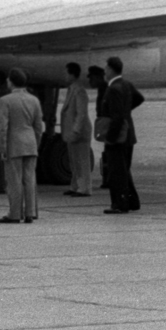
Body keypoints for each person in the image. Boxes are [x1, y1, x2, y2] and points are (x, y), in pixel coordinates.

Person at [0, 68, 43, 223]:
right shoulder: (34, 100)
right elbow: (38, 126)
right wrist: (36, 143)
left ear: (11, 81)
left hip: (14, 143)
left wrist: (2, 147)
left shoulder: (5, 100)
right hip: (30, 142)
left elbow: (3, 127)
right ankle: (30, 212)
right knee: (29, 178)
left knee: (14, 180)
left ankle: (15, 213)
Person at [100, 57, 144, 215]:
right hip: (128, 135)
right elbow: (139, 98)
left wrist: (110, 138)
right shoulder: (126, 84)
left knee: (116, 172)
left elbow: (117, 117)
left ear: (111, 69)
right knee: (124, 170)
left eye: (106, 69)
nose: (104, 72)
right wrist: (127, 111)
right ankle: (132, 201)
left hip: (118, 137)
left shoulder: (113, 88)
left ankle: (119, 204)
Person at [60, 62, 93, 197]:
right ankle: (75, 186)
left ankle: (84, 188)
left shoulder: (79, 90)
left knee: (82, 160)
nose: (65, 75)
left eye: (66, 72)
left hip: (79, 132)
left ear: (72, 74)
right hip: (72, 131)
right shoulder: (72, 89)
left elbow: (81, 113)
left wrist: (76, 130)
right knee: (74, 161)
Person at [88, 64, 109, 189]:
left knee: (110, 151)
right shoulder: (103, 88)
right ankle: (107, 179)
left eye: (91, 79)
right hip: (104, 122)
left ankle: (109, 179)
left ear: (97, 78)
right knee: (108, 151)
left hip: (107, 123)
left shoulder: (106, 88)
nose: (90, 82)